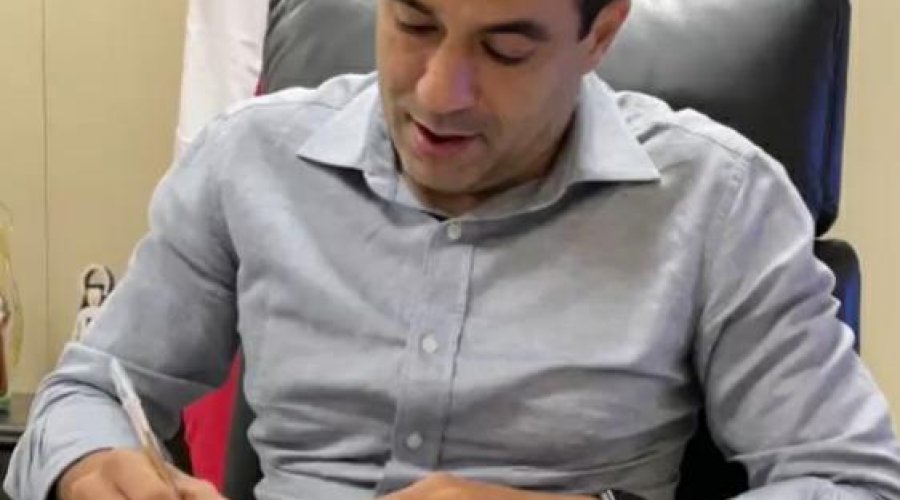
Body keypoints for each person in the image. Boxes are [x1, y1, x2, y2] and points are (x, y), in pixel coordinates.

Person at [6, 0, 900, 498]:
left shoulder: (717, 201)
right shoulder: (251, 160)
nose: (438, 93)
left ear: (600, 34)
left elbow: (850, 479)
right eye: (415, 22)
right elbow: (87, 393)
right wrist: (91, 466)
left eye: (505, 50)